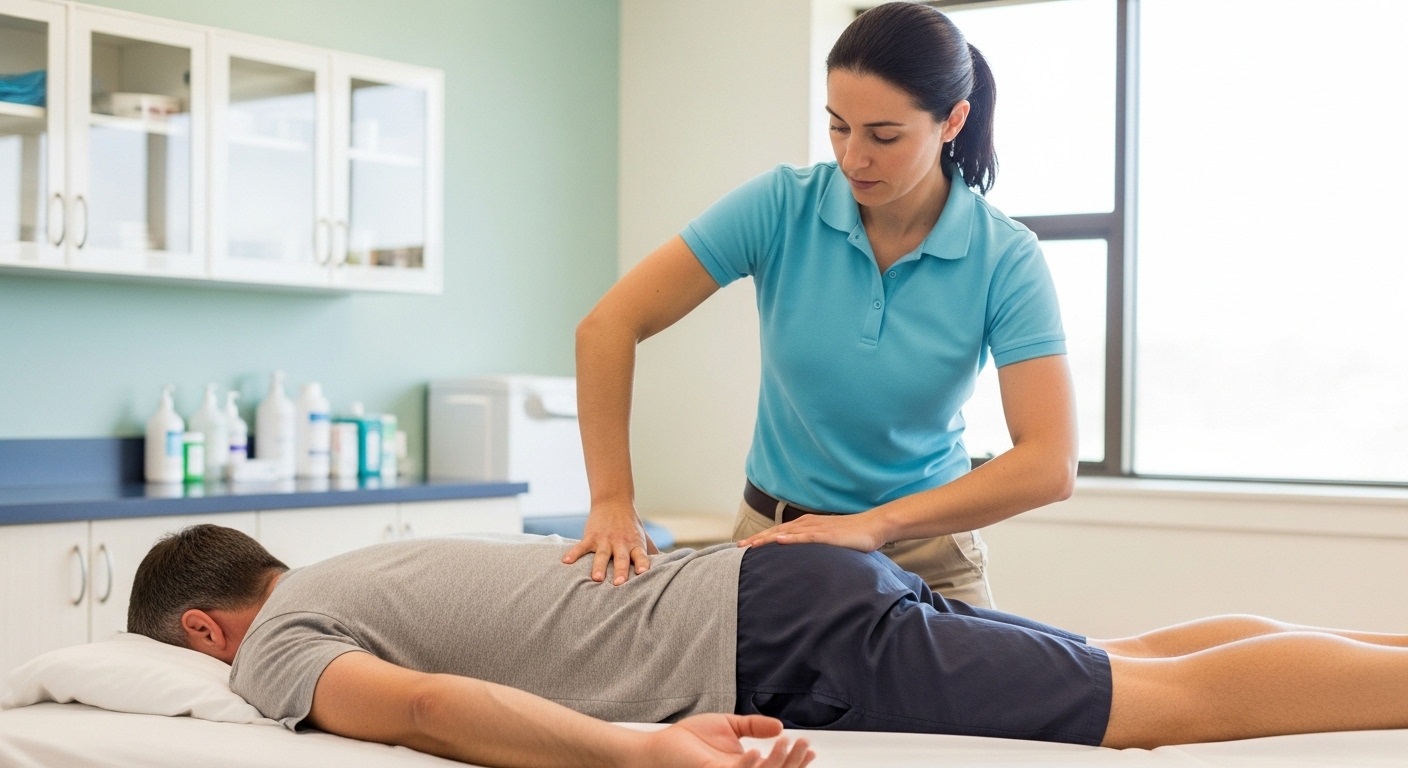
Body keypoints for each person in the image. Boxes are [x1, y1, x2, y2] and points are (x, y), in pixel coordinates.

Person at [130, 525, 1408, 768]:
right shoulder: (363, 564)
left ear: (204, 628)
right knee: (1125, 655)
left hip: (771, 631)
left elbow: (419, 709)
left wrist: (638, 757)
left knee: (1156, 708)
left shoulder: (273, 639)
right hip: (777, 583)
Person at [568, 2, 1076, 606]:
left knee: (994, 674)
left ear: (952, 121)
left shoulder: (1004, 256)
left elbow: (1050, 461)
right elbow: (607, 325)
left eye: (884, 135)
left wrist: (876, 525)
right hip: (778, 541)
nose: (853, 158)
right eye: (839, 126)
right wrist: (611, 501)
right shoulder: (782, 206)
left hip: (928, 556)